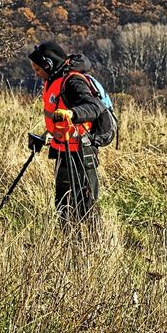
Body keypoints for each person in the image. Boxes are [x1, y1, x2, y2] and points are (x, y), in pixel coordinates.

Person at [27, 40, 107, 229]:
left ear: (49, 64)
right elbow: (57, 115)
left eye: (38, 69)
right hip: (62, 150)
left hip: (80, 152)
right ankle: (68, 241)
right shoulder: (52, 81)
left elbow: (94, 107)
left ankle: (89, 245)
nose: (36, 74)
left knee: (83, 204)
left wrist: (73, 113)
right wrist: (48, 134)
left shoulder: (73, 80)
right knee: (63, 202)